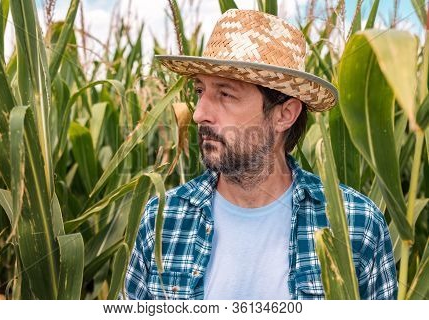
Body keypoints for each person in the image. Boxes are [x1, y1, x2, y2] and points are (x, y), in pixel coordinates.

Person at [123, 9, 397, 300]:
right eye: (199, 91)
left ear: (285, 114)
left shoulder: (355, 224)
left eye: (225, 94)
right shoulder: (162, 220)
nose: (199, 113)